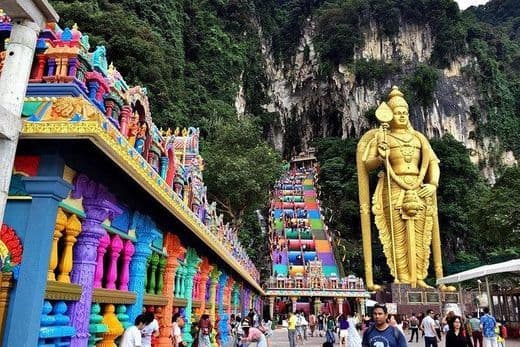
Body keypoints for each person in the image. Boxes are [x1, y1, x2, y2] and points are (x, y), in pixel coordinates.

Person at [357, 86, 455, 292]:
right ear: (389, 115)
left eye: (404, 113)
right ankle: (401, 277)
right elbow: (366, 165)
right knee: (397, 235)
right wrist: (380, 157)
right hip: (393, 187)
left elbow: (433, 163)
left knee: (421, 234)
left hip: (419, 187)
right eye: (397, 112)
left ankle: (420, 277)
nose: (401, 116)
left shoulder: (419, 138)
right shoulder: (382, 138)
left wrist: (433, 184)